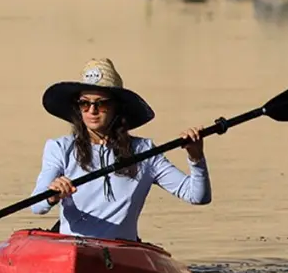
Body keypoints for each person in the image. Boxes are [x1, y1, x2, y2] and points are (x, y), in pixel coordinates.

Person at [32, 58, 211, 242]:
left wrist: (196, 158)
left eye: (101, 103)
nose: (92, 110)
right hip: (71, 248)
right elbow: (37, 206)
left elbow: (197, 196)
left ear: (117, 108)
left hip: (122, 250)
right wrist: (52, 197)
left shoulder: (145, 152)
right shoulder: (59, 148)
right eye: (84, 103)